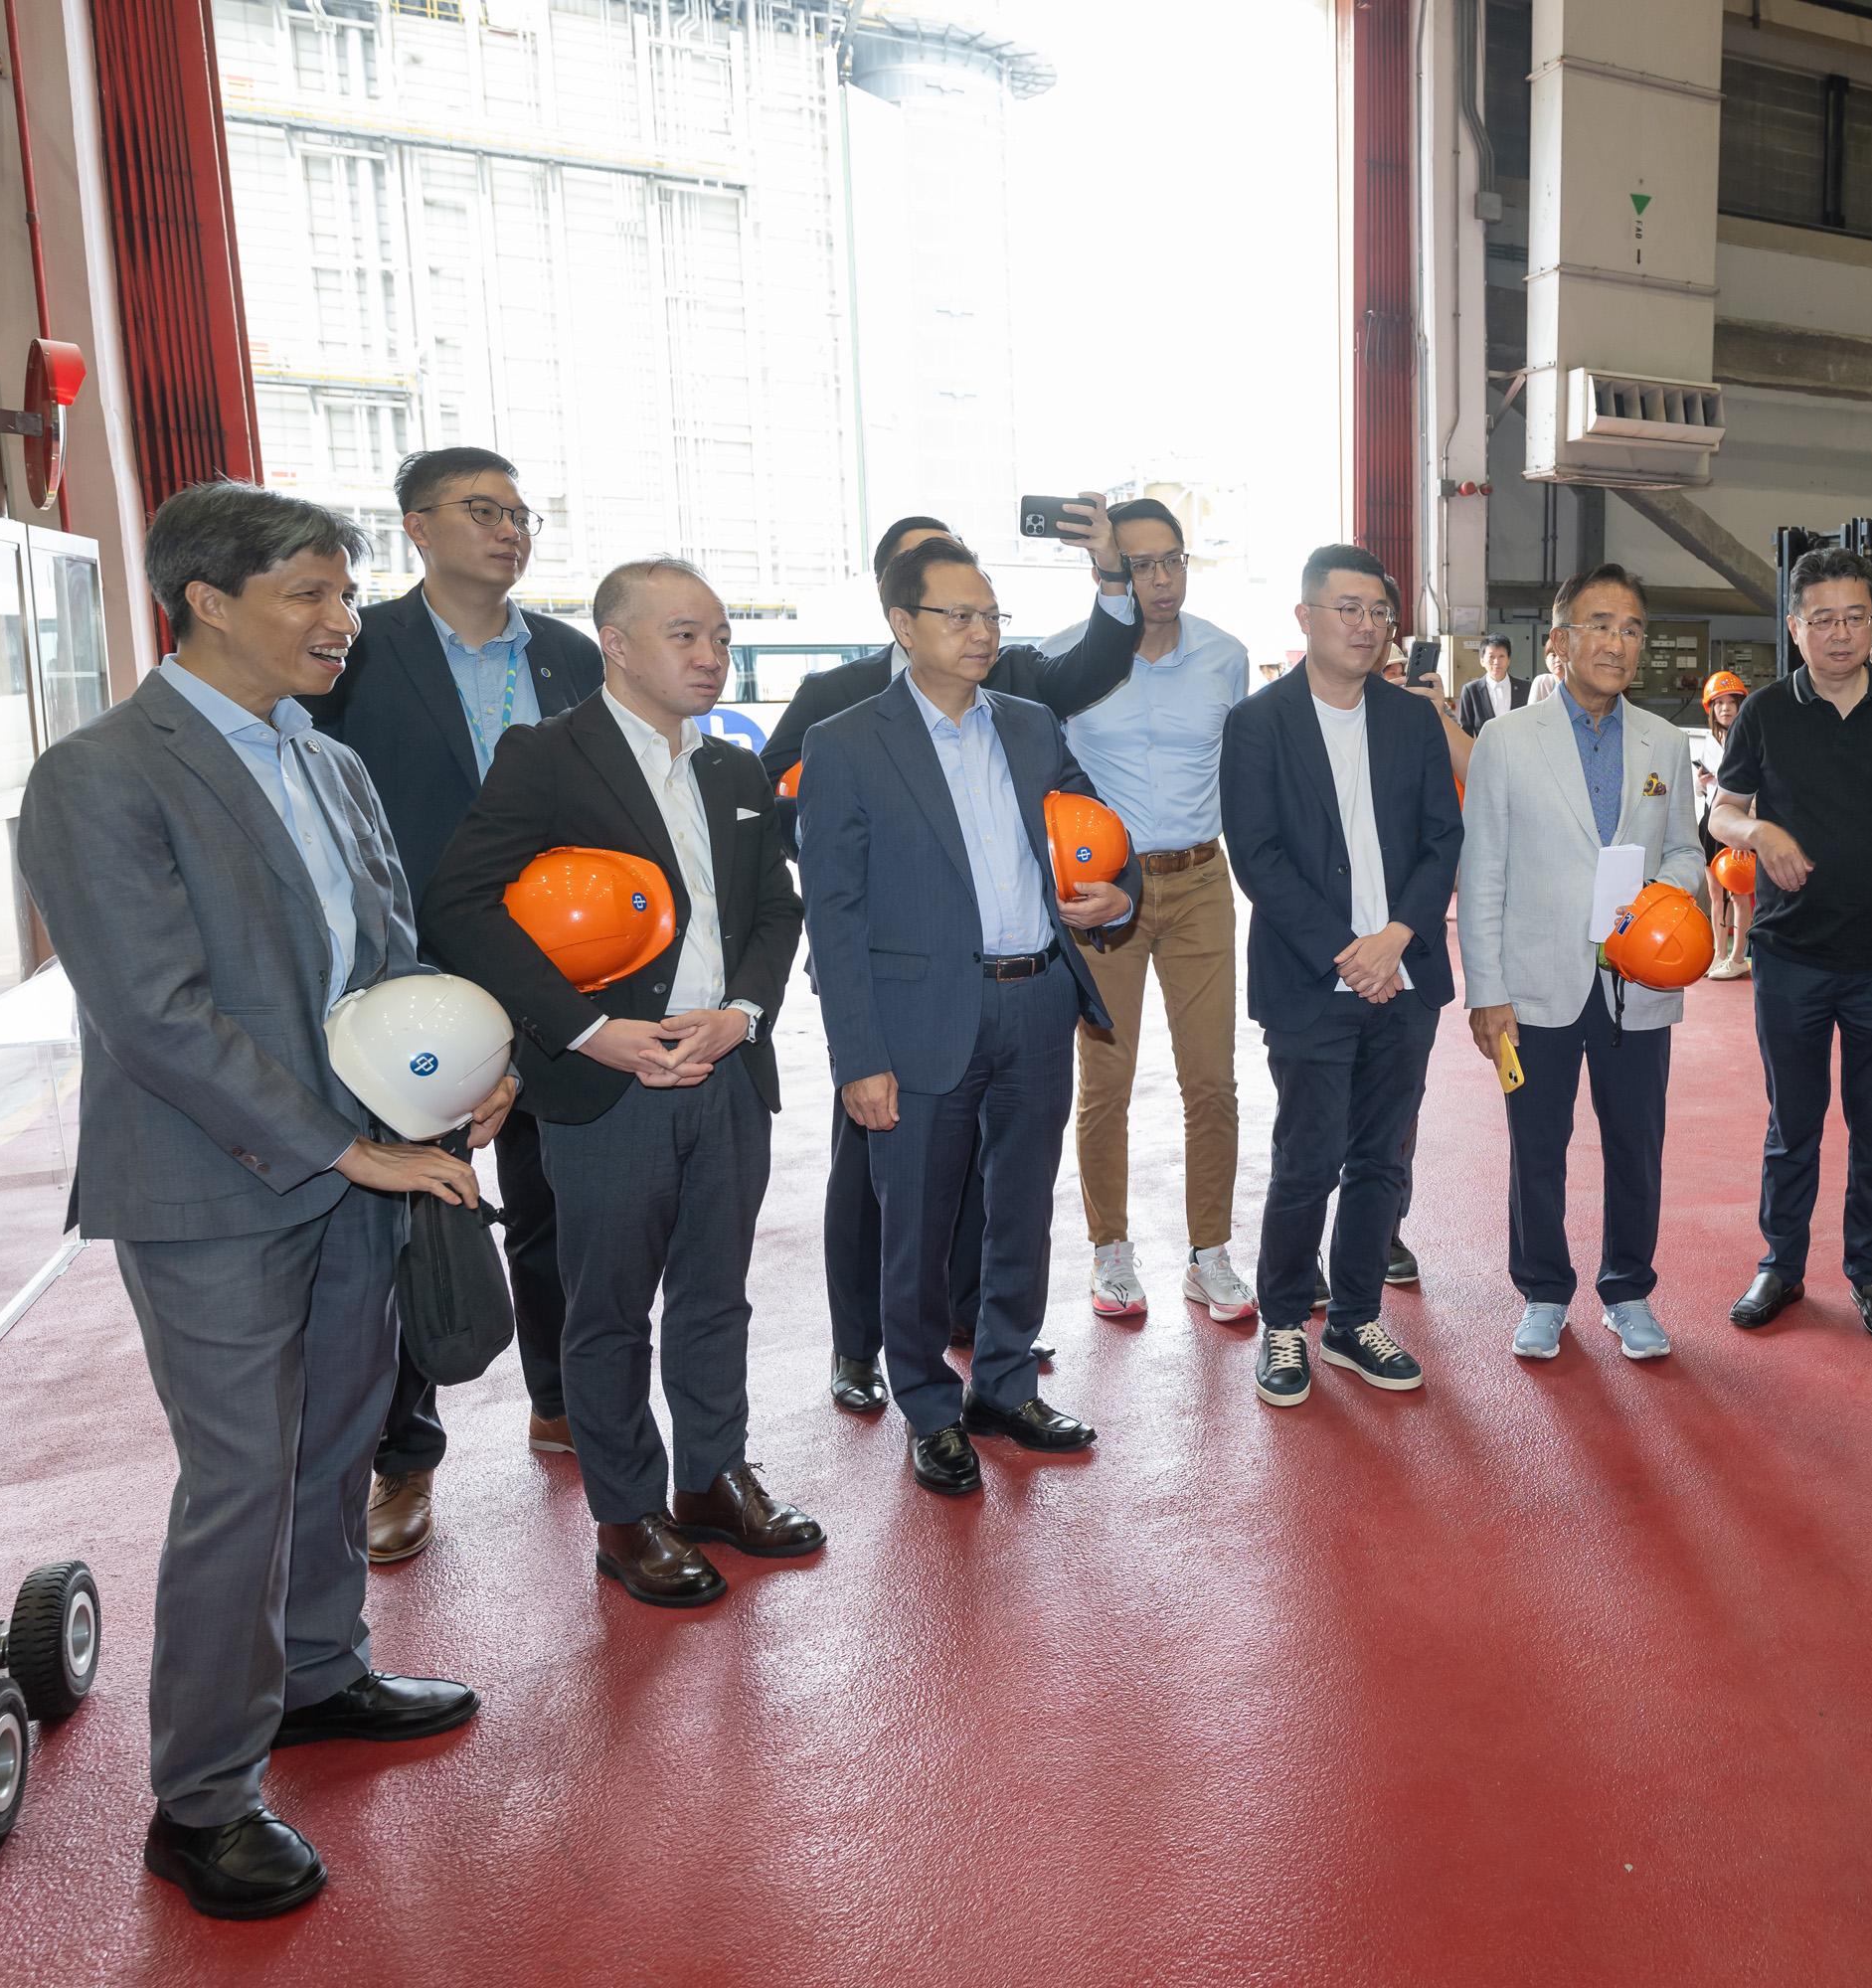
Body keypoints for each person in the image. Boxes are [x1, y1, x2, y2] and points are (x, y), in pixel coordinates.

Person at [20, 482, 501, 1918]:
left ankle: (316, 1674)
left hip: (365, 1162)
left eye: (345, 595)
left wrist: (457, 1073)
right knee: (240, 1478)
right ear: (208, 600)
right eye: (310, 594)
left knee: (338, 1440)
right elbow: (157, 1017)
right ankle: (203, 1799)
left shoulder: (326, 762)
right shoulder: (101, 775)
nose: (342, 622)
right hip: (211, 1188)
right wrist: (340, 1146)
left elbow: (387, 962)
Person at [423, 559, 818, 1610]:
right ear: (619, 642)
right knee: (606, 1310)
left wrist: (743, 1012)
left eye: (723, 638)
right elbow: (461, 904)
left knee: (714, 1293)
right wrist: (591, 1031)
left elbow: (777, 912)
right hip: (610, 1089)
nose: (710, 656)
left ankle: (712, 1476)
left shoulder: (733, 770)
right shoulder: (548, 758)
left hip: (726, 1072)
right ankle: (626, 1511)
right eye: (687, 635)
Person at [760, 504, 1144, 1414]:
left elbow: (1096, 833)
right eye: (958, 616)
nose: (982, 633)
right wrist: (859, 1058)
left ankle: (1007, 1387)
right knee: (917, 1233)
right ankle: (929, 1406)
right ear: (903, 625)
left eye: (991, 616)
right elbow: (836, 916)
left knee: (1020, 1215)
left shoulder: (1028, 725)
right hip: (919, 1018)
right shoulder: (844, 741)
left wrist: (1120, 891)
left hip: (1037, 1003)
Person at [301, 445, 602, 1565]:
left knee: (555, 1200)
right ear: (417, 528)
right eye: (483, 510)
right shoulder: (355, 651)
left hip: (558, 969)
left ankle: (562, 1399)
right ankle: (404, 1458)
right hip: (411, 986)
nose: (511, 529)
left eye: (522, 512)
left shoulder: (572, 657)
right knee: (417, 1216)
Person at [1708, 547, 1872, 1345]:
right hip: (1788, 956)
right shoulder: (1764, 711)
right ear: (1795, 628)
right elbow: (1722, 813)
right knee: (1792, 1122)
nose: (1839, 633)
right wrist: (1759, 831)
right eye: (1821, 619)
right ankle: (1781, 1265)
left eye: (1854, 617)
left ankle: (1871, 1273)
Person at [1220, 544, 1462, 1407]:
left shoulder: (1409, 720)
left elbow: (1445, 840)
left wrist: (1396, 935)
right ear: (1306, 618)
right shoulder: (1258, 724)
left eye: (1378, 612)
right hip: (1310, 981)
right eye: (1347, 608)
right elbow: (1259, 857)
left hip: (1403, 978)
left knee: (1380, 1163)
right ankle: (1284, 1320)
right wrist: (1347, 951)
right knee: (1307, 1159)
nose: (1365, 626)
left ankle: (1357, 1319)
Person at [1457, 563, 1706, 1361]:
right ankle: (1542, 1290)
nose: (1619, 642)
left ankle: (1628, 1289)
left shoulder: (1665, 739)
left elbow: (1688, 855)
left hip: (1639, 982)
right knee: (1538, 1144)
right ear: (1559, 642)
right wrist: (1485, 991)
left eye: (1633, 628)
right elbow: (1483, 869)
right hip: (1533, 986)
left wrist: (1659, 896)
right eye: (1601, 625)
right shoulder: (1505, 740)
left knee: (1637, 1143)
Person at [1034, 498, 1257, 1329]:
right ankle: (1110, 1247)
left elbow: (1240, 773)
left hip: (1201, 882)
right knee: (1106, 1083)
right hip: (1101, 896)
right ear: (1110, 571)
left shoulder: (1226, 657)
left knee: (1213, 1080)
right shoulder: (1063, 662)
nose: (1160, 580)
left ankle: (1209, 1253)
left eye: (1173, 560)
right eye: (1140, 565)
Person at [1692, 670, 1753, 979]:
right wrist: (1701, 782)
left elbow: (1756, 788)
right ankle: (1719, 953)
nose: (1725, 708)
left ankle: (1738, 955)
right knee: (1715, 893)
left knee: (1739, 894)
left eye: (1732, 702)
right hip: (1709, 823)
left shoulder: (1749, 739)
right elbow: (1704, 788)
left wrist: (1744, 834)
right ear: (1711, 708)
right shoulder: (1708, 741)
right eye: (1718, 703)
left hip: (1736, 825)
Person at [1456, 633, 1524, 733]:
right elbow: (1466, 731)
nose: (1496, 662)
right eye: (1491, 656)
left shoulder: (1525, 688)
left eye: (1501, 656)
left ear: (1509, 660)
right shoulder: (1471, 691)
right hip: (1485, 747)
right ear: (1482, 661)